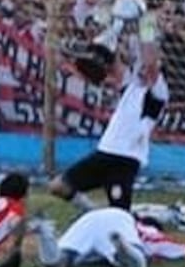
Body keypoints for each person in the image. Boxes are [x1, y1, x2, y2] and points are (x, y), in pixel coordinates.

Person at [50, 37, 168, 212]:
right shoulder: (131, 87)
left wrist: (146, 25)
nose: (141, 69)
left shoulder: (158, 92)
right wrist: (113, 38)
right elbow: (115, 65)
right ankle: (92, 213)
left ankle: (112, 223)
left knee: (120, 214)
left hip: (125, 159)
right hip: (104, 152)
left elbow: (150, 63)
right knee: (58, 186)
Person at [33, 207, 185, 267]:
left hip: (89, 218)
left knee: (58, 263)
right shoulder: (144, 229)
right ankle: (123, 247)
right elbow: (164, 241)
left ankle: (44, 231)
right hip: (117, 221)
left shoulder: (130, 220)